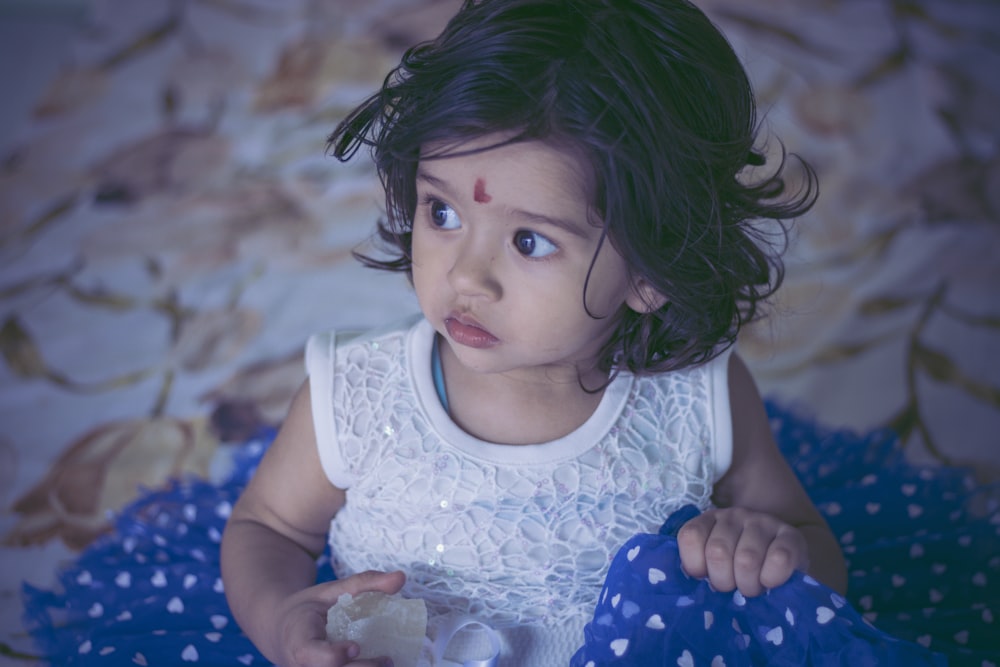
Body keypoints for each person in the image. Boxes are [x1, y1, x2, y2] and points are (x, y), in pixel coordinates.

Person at [219, 0, 854, 664]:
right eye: (442, 210)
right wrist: (278, 617)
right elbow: (269, 527)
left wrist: (769, 547)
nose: (467, 276)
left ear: (652, 268)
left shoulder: (699, 399)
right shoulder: (354, 395)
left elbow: (815, 552)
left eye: (529, 240)